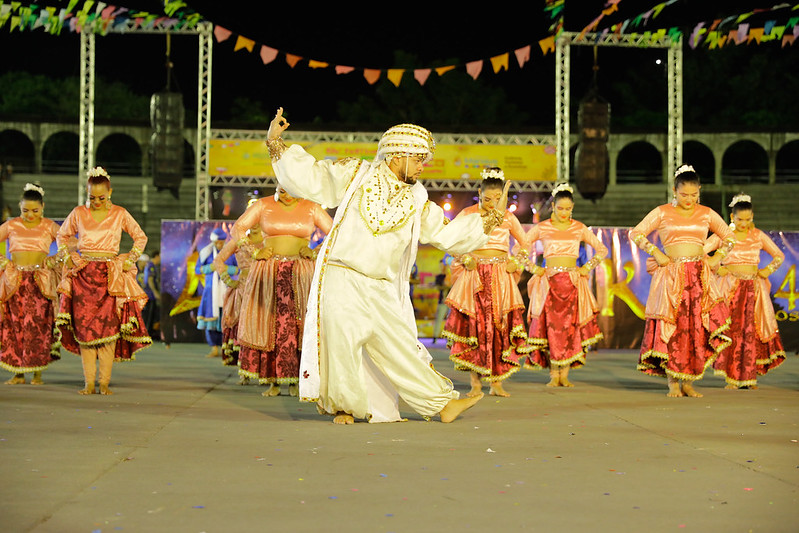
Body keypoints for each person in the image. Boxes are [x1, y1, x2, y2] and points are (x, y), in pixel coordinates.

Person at [266, 108, 506, 424]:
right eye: (419, 158)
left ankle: (442, 404)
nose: (424, 166)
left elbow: (447, 234)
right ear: (397, 155)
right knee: (342, 345)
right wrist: (275, 144)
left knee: (400, 346)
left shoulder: (417, 200)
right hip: (342, 274)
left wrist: (491, 218)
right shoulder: (356, 174)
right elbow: (313, 178)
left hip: (379, 284)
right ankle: (344, 408)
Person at [629, 164, 735, 398]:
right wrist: (655, 252)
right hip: (671, 276)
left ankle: (689, 380)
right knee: (673, 327)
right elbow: (635, 233)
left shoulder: (706, 213)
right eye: (684, 194)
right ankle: (672, 382)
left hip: (699, 277)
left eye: (694, 194)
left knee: (695, 328)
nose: (689, 199)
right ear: (675, 191)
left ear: (700, 191)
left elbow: (728, 236)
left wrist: (717, 257)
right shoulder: (662, 212)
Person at [228, 187, 333, 397]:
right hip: (269, 271)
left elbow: (337, 231)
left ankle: (298, 381)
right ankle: (273, 381)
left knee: (298, 325)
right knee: (270, 324)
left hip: (301, 272)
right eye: (282, 188)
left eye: (292, 188)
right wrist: (254, 251)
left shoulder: (311, 207)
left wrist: (315, 251)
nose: (286, 195)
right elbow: (238, 228)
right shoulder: (263, 205)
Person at [56, 167, 152, 395]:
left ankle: (104, 382)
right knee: (86, 332)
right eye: (91, 197)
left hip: (110, 278)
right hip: (84, 276)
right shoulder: (79, 212)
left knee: (109, 332)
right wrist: (67, 257)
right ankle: (89, 383)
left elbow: (140, 236)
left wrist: (131, 258)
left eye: (101, 197)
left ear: (110, 192)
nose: (96, 201)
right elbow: (62, 235)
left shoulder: (120, 213)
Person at [443, 167, 529, 397]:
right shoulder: (468, 213)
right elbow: (451, 242)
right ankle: (475, 383)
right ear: (479, 193)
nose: (492, 203)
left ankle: (496, 382)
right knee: (476, 327)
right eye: (487, 198)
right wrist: (465, 258)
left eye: (497, 199)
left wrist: (516, 263)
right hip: (475, 275)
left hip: (501, 275)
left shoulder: (509, 217)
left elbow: (526, 244)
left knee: (498, 327)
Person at [520, 182, 608, 387]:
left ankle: (565, 374)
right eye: (560, 208)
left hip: (572, 284)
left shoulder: (579, 228)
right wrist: (534, 268)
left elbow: (601, 249)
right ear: (553, 207)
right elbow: (521, 248)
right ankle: (553, 375)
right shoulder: (542, 227)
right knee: (550, 329)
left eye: (569, 209)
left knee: (569, 329)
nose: (564, 212)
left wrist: (586, 268)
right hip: (549, 284)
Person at [704, 193, 786, 389]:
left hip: (752, 289)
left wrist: (766, 271)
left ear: (752, 216)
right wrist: (717, 267)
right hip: (730, 288)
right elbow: (702, 252)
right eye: (740, 219)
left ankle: (749, 376)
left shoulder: (757, 235)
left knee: (750, 332)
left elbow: (778, 255)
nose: (744, 223)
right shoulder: (724, 236)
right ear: (732, 217)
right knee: (732, 331)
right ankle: (732, 377)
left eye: (748, 219)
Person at [0, 184, 61, 385]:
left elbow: (70, 243)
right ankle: (18, 373)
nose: (30, 214)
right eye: (25, 210)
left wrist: (53, 260)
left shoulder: (50, 226)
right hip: (15, 281)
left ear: (43, 207)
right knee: (15, 325)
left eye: (35, 210)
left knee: (38, 327)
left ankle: (37, 373)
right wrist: (4, 262)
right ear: (19, 206)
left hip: (39, 282)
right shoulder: (11, 225)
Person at [214, 225, 262, 376]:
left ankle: (264, 370)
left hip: (264, 290)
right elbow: (218, 260)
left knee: (262, 329)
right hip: (243, 289)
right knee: (243, 329)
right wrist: (228, 280)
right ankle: (244, 370)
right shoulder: (239, 241)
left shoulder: (270, 240)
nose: (255, 224)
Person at [195, 227, 236, 358]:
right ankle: (214, 348)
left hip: (227, 290)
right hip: (210, 292)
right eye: (218, 242)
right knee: (210, 320)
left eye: (222, 241)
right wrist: (211, 267)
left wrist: (226, 269)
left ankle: (226, 348)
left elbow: (239, 269)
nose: (220, 244)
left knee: (226, 320)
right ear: (213, 241)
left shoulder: (231, 253)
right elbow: (197, 270)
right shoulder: (205, 253)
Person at [142, 250, 164, 346]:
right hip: (149, 294)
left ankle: (148, 334)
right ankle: (145, 335)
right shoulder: (150, 266)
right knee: (149, 315)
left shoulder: (152, 266)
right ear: (156, 256)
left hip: (150, 294)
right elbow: (150, 280)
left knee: (151, 315)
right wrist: (155, 292)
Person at [431, 255, 452, 343]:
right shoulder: (440, 277)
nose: (443, 266)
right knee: (439, 319)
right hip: (442, 301)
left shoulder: (452, 275)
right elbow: (438, 287)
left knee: (451, 321)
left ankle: (450, 338)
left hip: (451, 302)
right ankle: (435, 337)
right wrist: (445, 287)